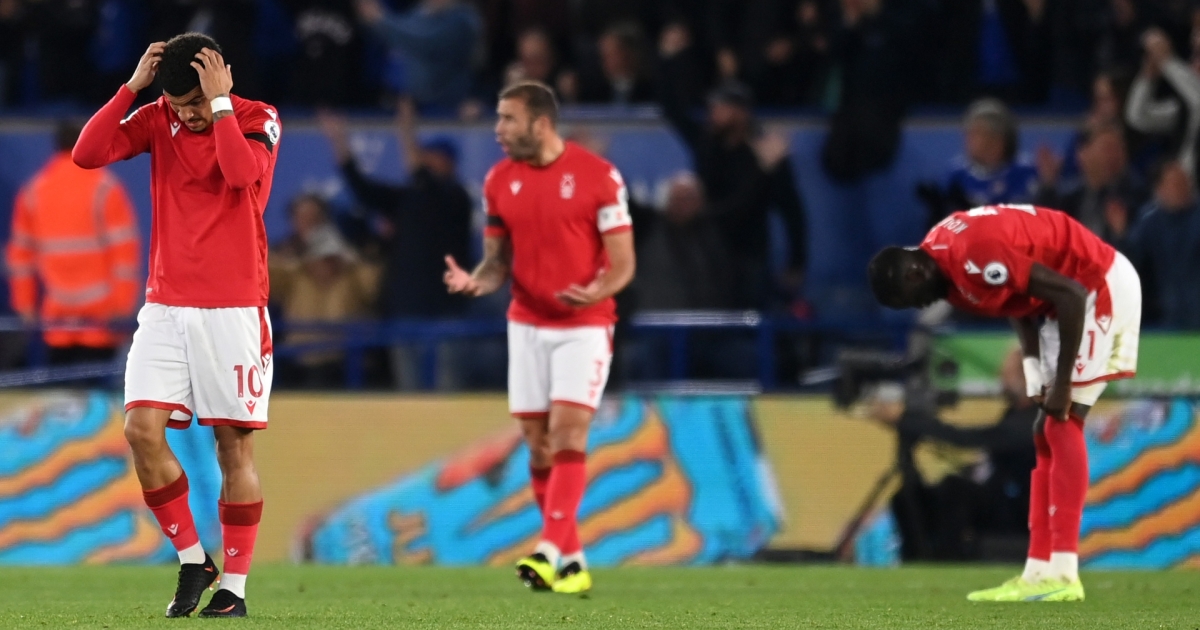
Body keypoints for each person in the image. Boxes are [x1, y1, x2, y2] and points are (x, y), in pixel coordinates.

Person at [72, 33, 281, 618]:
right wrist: (132, 89)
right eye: (178, 103)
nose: (186, 114)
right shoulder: (158, 117)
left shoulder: (257, 117)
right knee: (141, 430)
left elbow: (240, 175)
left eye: (195, 101)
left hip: (233, 307)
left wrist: (220, 106)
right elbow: (87, 154)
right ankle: (193, 559)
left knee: (232, 449)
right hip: (165, 305)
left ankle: (234, 589)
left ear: (220, 80)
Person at [868, 203, 1142, 602]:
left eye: (912, 299)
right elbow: (1017, 298)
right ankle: (1039, 571)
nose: (920, 306)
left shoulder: (971, 257)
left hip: (1097, 284)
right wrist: (1032, 365)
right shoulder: (946, 266)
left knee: (1063, 422)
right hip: (1062, 301)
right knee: (1044, 432)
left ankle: (1064, 571)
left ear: (914, 273)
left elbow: (1070, 292)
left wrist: (1061, 384)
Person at [443, 81, 635, 594]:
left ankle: (548, 549)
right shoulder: (499, 181)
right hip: (526, 323)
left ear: (541, 123)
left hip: (584, 326)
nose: (498, 129)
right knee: (537, 444)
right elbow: (496, 262)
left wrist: (596, 291)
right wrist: (475, 281)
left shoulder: (599, 177)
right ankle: (572, 563)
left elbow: (623, 264)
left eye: (508, 119)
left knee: (569, 433)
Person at [318, 101, 473, 390]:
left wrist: (405, 129)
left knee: (449, 391)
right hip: (405, 307)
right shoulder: (407, 199)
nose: (424, 160)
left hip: (445, 309)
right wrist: (339, 141)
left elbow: (423, 181)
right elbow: (362, 188)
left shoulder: (455, 197)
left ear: (448, 163)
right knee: (408, 395)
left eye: (432, 157)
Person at [7, 120, 141, 366]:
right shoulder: (105, 188)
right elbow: (125, 254)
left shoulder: (33, 192)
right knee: (96, 387)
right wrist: (122, 306)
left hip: (57, 319)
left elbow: (20, 259)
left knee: (62, 386)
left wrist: (25, 306)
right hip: (102, 318)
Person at [1114, 160, 1200, 329]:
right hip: (1166, 314)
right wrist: (1121, 236)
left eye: (1184, 182)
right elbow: (1131, 261)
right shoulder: (1149, 221)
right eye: (1174, 184)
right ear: (1159, 190)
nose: (1182, 188)